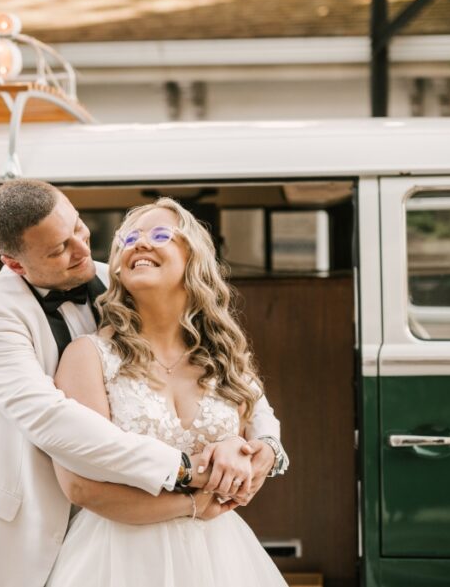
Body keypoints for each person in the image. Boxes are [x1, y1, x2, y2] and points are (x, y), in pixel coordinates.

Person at [0, 180, 288, 587]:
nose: (83, 251)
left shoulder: (126, 280)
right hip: (29, 525)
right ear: (15, 264)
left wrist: (264, 449)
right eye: (59, 248)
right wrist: (188, 474)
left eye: (79, 229)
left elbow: (247, 394)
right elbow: (52, 419)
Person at [46, 196, 289, 586]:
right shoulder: (88, 356)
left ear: (193, 258)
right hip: (117, 560)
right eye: (128, 239)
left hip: (220, 560)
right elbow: (80, 486)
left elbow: (260, 437)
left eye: (160, 234)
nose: (140, 243)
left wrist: (244, 453)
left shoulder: (224, 354)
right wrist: (192, 504)